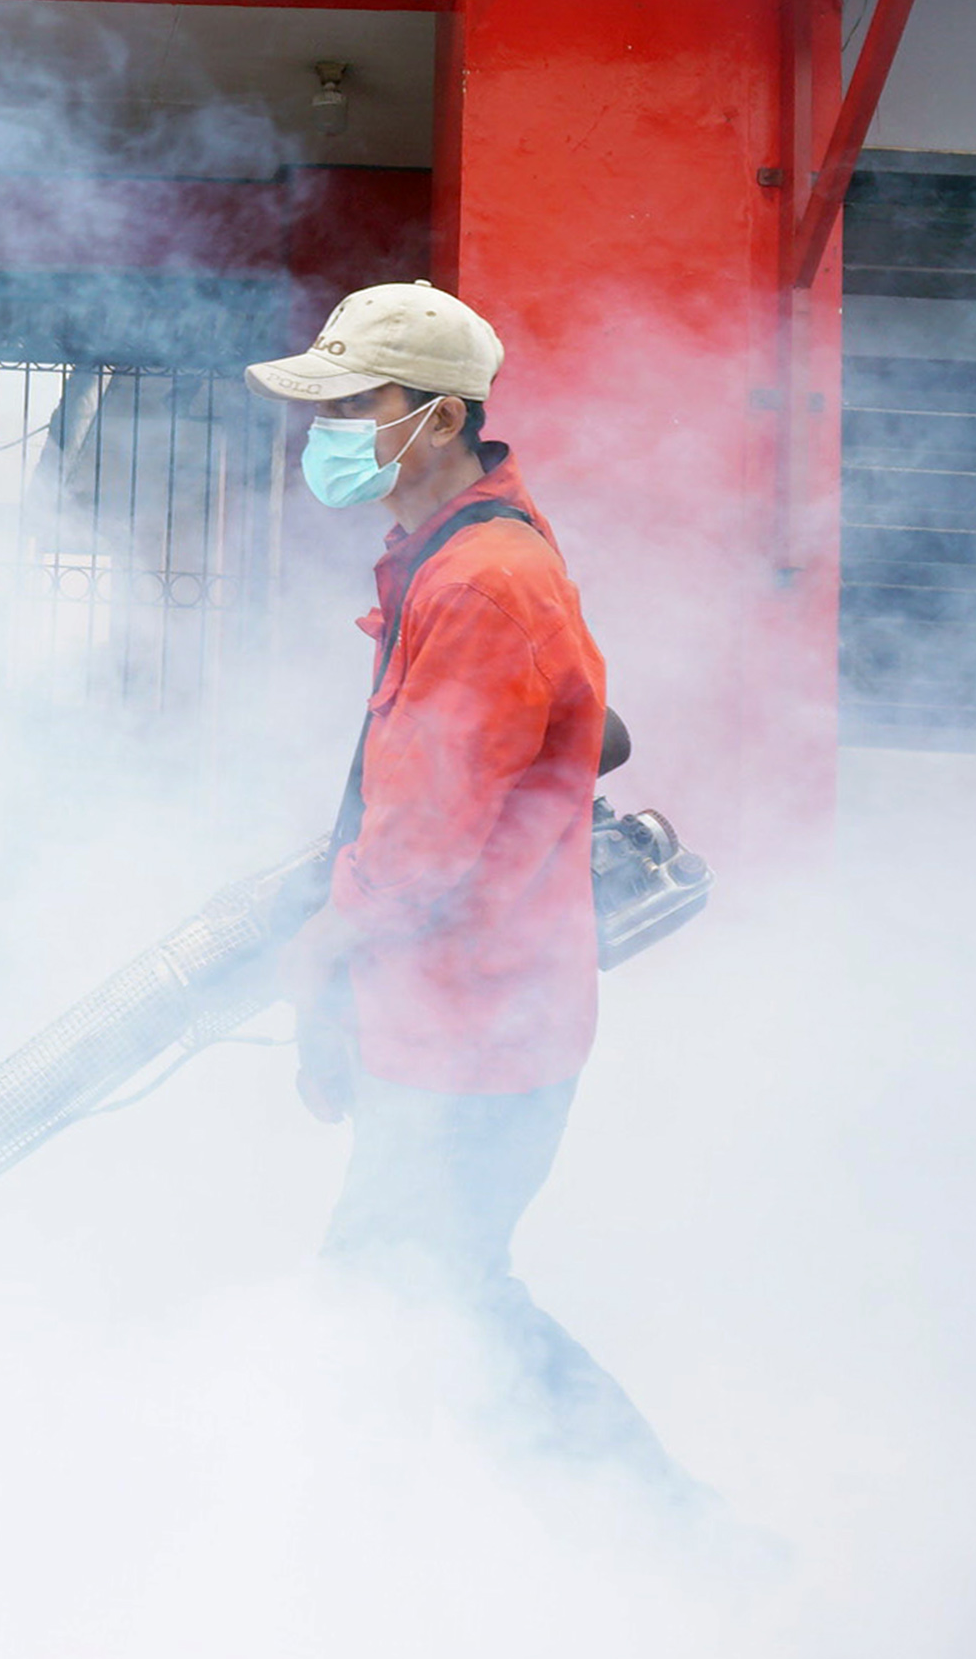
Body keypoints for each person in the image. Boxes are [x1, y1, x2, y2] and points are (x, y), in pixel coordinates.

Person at [246, 281, 686, 1486]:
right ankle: (458, 1552)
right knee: (421, 1302)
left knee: (406, 1303)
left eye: (351, 401)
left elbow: (422, 842)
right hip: (463, 1011)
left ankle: (676, 1545)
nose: (324, 425)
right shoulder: (448, 559)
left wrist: (323, 951)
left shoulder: (481, 581)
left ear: (438, 418)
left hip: (478, 1022)